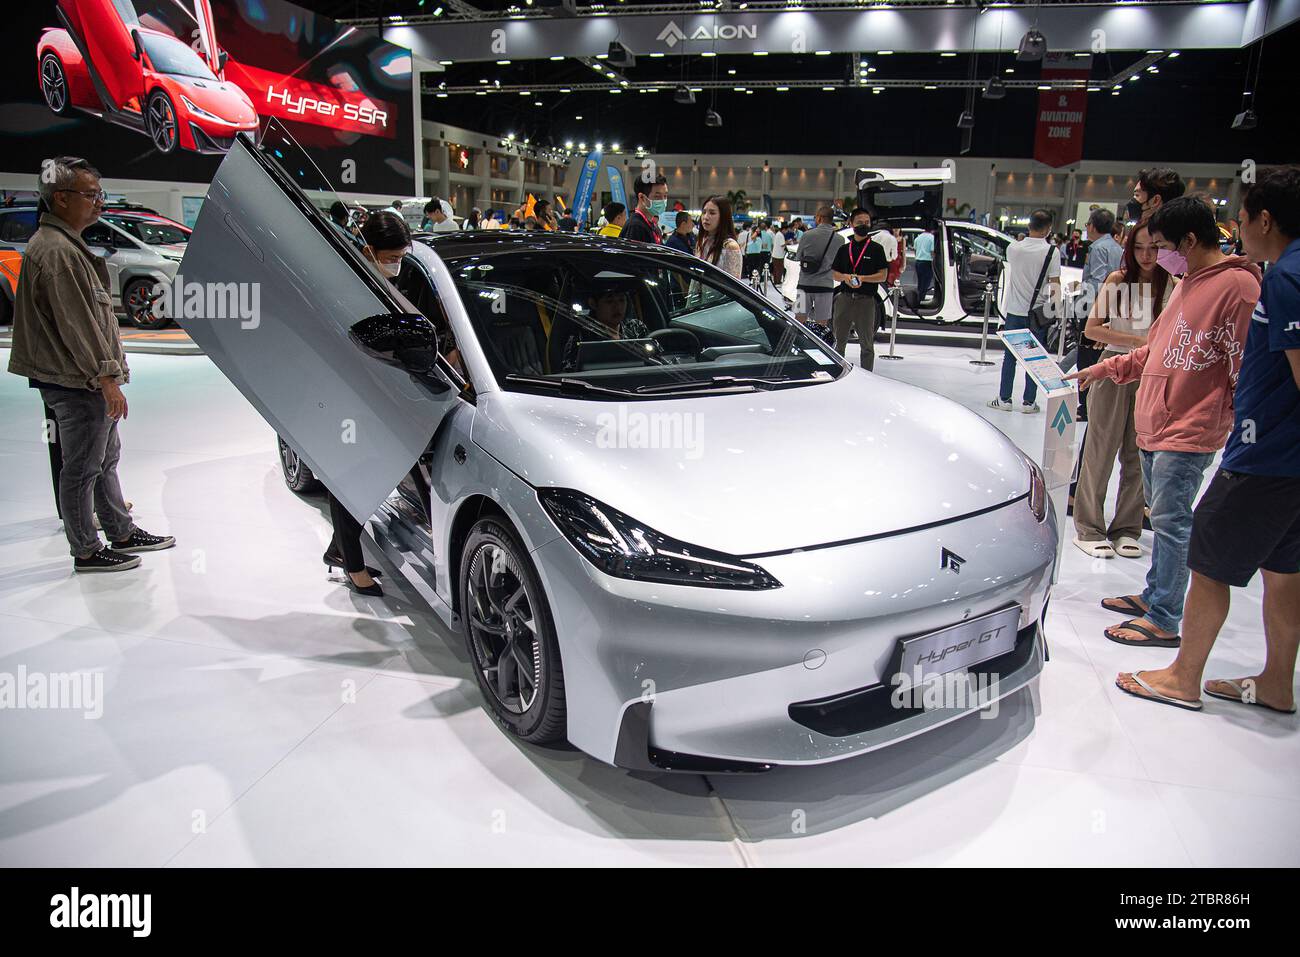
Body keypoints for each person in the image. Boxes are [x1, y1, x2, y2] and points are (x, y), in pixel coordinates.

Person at [1111, 166, 1300, 712]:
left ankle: (1182, 675)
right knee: (1284, 571)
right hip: (1277, 454)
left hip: (1265, 453)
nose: (1238, 228)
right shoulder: (1254, 276)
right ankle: (1277, 682)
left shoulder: (1271, 279)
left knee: (1208, 557)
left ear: (1266, 218)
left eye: (1241, 219)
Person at [1066, 197, 1260, 649]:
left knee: (1172, 524)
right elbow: (1156, 350)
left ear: (1189, 241)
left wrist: (1237, 428)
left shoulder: (1237, 287)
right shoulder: (1188, 281)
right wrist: (1106, 369)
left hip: (1189, 428)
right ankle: (1155, 596)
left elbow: (1242, 366)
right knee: (1163, 511)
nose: (1158, 255)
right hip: (1156, 420)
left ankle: (1166, 616)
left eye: (1165, 245)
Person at [7, 156, 174, 572]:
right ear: (61, 199)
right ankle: (86, 550)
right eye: (91, 195)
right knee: (81, 466)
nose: (99, 203)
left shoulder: (65, 246)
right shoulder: (57, 252)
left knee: (103, 459)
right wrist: (106, 379)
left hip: (85, 380)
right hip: (76, 381)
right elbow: (76, 325)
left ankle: (119, 528)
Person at [1072, 222, 1172, 558]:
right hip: (1112, 370)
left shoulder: (1171, 284)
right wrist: (1138, 342)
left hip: (1153, 375)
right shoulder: (1118, 281)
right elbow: (1093, 330)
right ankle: (1089, 527)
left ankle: (1127, 528)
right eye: (1140, 248)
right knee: (1100, 451)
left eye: (1154, 248)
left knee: (1139, 454)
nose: (1147, 255)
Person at [989, 208, 1061, 414]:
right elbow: (1055, 284)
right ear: (1048, 229)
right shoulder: (1051, 252)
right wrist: (1056, 312)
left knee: (1009, 358)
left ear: (1029, 225)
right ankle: (1029, 402)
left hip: (1014, 311)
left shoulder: (1013, 248)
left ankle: (1004, 399)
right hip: (1039, 314)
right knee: (1035, 358)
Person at [830, 208, 888, 369]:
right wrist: (846, 277)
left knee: (867, 345)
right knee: (839, 342)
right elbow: (834, 273)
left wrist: (864, 278)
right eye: (860, 223)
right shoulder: (844, 249)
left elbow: (883, 275)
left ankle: (867, 375)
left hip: (866, 301)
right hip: (844, 299)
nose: (864, 225)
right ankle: (838, 372)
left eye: (867, 223)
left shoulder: (876, 249)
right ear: (852, 224)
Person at [560, 279, 649, 372]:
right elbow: (570, 371)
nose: (617, 307)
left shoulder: (636, 328)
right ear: (593, 304)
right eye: (610, 301)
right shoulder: (582, 335)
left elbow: (656, 360)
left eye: (622, 300)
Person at [794, 205, 844, 331]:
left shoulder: (807, 235)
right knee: (822, 324)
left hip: (804, 285)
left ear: (820, 218)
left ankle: (798, 345)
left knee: (799, 320)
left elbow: (798, 257)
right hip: (825, 286)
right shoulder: (840, 239)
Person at [696, 195, 743, 278]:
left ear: (723, 217)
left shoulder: (730, 246)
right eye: (704, 212)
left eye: (712, 213)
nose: (706, 217)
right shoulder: (702, 242)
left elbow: (733, 285)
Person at [620, 173, 667, 244]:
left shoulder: (653, 225)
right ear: (642, 197)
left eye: (665, 196)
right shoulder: (635, 226)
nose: (663, 201)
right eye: (657, 196)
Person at [913, 225, 935, 301]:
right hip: (927, 262)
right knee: (925, 284)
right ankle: (920, 300)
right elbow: (932, 252)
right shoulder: (932, 238)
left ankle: (918, 299)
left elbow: (915, 250)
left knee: (920, 283)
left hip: (918, 262)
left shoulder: (918, 238)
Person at [769, 219, 786, 284]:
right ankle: (778, 281)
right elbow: (782, 245)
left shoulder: (777, 234)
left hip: (775, 255)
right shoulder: (781, 235)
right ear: (784, 229)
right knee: (779, 269)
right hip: (779, 255)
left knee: (776, 269)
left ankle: (776, 281)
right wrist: (788, 242)